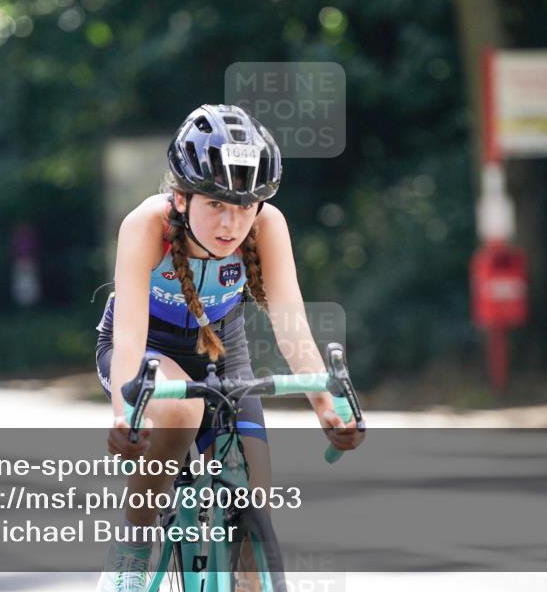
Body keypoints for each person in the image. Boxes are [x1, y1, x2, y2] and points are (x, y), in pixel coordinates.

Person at [95, 104, 364, 591]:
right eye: (216, 203)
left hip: (222, 352)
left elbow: (291, 326)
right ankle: (132, 550)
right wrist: (124, 414)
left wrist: (328, 406)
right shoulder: (145, 225)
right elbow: (130, 337)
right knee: (181, 413)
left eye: (245, 205)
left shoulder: (268, 226)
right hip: (148, 352)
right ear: (181, 198)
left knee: (253, 512)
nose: (231, 223)